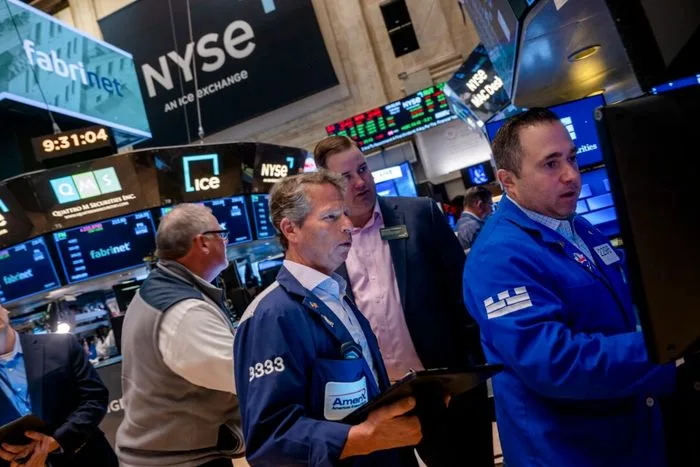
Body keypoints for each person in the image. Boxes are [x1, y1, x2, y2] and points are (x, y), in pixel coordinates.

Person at [462, 108, 677, 466]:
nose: (571, 175)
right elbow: (554, 362)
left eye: (572, 158)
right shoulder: (497, 257)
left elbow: (628, 294)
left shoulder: (576, 226)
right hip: (566, 451)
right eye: (551, 164)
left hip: (626, 434)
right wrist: (666, 347)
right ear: (508, 181)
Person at [314, 136, 493, 467]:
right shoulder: (326, 243)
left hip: (444, 386)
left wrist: (468, 374)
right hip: (381, 402)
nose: (360, 182)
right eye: (346, 177)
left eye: (363, 169)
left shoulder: (419, 214)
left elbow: (463, 296)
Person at [234, 171, 422, 466]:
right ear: (290, 229)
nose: (348, 225)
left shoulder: (337, 294)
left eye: (345, 214)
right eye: (331, 217)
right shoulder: (271, 317)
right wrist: (365, 438)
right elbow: (270, 439)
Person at [116, 203, 243, 467]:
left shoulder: (158, 290)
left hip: (167, 455)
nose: (226, 241)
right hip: (181, 460)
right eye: (221, 234)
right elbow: (246, 375)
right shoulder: (185, 310)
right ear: (203, 242)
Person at [0, 305, 117, 467]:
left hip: (88, 458)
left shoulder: (61, 345)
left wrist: (57, 440)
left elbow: (95, 398)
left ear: (4, 309)